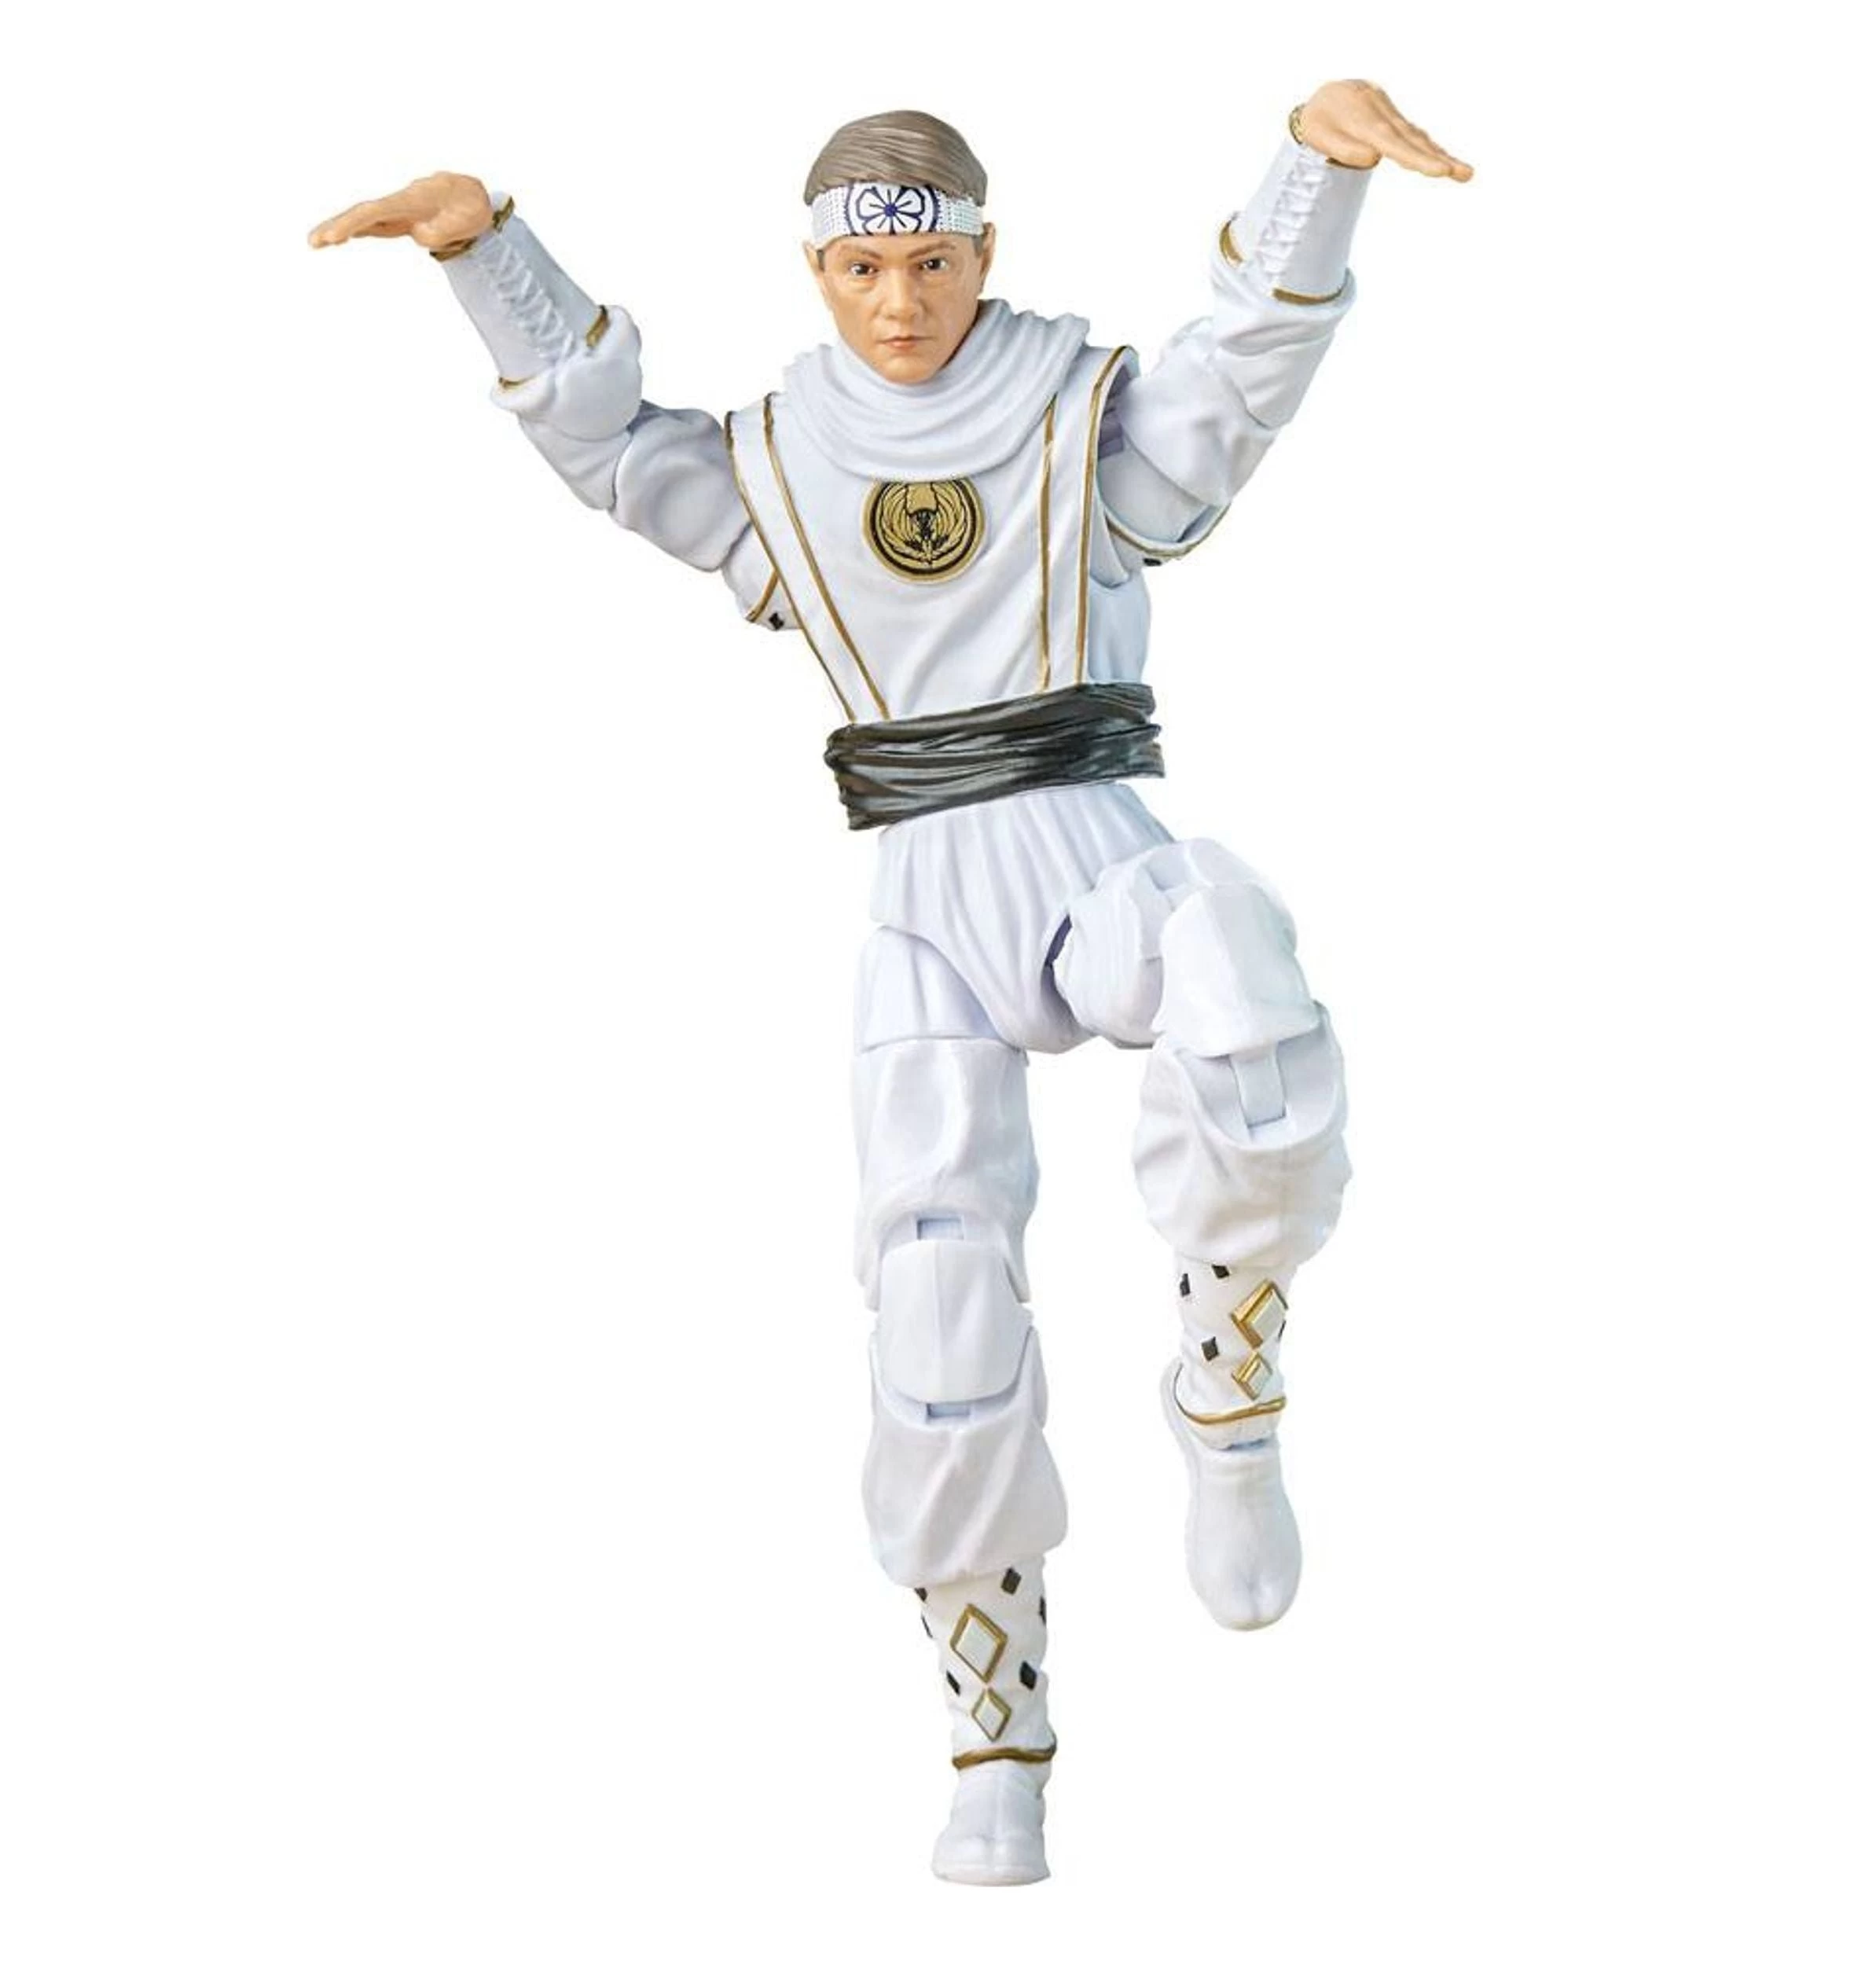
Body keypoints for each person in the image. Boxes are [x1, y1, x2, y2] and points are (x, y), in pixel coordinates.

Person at [310, 84, 1471, 1886]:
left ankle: (1227, 1394)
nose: (899, 299)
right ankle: (994, 1737)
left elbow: (1237, 373)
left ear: (981, 253)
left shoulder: (1068, 414)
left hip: (1092, 849)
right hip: (926, 906)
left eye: (928, 261)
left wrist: (1313, 166)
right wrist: (484, 249)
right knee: (933, 1305)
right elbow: (614, 446)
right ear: (817, 271)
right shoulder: (787, 461)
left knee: (1237, 977)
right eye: (862, 267)